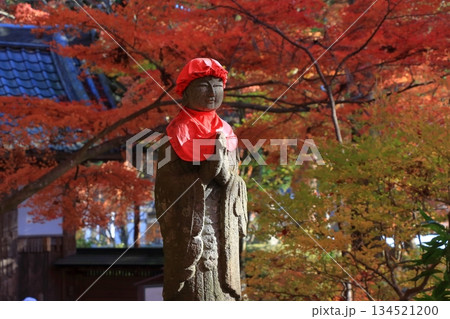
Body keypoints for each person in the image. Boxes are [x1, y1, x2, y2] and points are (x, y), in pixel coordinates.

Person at [155, 58, 247, 301]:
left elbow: (235, 182)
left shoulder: (226, 134)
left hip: (222, 230)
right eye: (203, 85)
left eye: (217, 85)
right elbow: (166, 188)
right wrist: (205, 175)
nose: (212, 92)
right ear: (185, 93)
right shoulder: (173, 137)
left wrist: (224, 174)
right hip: (192, 233)